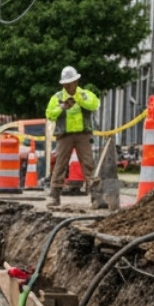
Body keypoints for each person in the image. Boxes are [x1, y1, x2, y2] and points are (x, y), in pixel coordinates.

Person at [45, 66, 102, 209]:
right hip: (64, 135)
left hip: (83, 134)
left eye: (71, 83)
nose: (69, 86)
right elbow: (49, 114)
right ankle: (54, 196)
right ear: (63, 84)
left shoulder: (84, 95)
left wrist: (78, 100)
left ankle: (96, 197)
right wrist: (63, 107)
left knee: (88, 164)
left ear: (76, 82)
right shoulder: (57, 98)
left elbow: (94, 105)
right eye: (66, 84)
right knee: (60, 165)